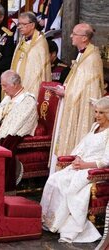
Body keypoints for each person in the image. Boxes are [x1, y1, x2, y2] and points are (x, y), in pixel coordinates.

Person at [41, 96, 109, 243]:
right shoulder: (95, 126)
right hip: (81, 165)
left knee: (69, 187)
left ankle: (63, 225)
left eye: (101, 113)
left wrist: (85, 165)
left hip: (94, 170)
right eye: (96, 111)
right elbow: (83, 146)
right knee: (54, 179)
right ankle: (48, 220)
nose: (97, 115)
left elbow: (106, 161)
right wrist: (77, 158)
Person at [49, 23, 105, 173]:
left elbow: (89, 90)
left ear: (85, 38)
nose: (71, 36)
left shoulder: (92, 58)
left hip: (80, 108)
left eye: (74, 34)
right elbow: (77, 81)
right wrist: (65, 88)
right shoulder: (83, 54)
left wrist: (66, 93)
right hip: (71, 103)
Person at [0, 69, 38, 190]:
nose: (3, 89)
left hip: (13, 132)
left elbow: (18, 123)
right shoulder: (8, 97)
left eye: (5, 86)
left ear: (15, 84)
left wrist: (0, 131)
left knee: (5, 142)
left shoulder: (28, 100)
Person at [10, 11, 51, 99]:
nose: (19, 27)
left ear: (32, 25)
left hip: (31, 83)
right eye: (19, 24)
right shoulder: (22, 39)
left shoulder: (40, 42)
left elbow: (38, 68)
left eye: (23, 24)